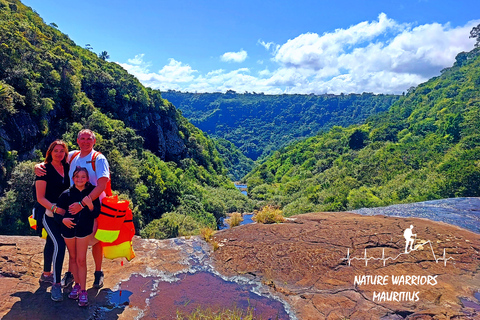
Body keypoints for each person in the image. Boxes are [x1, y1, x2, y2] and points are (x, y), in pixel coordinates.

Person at [35, 129, 110, 289]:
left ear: (94, 141)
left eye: (88, 139)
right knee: (73, 238)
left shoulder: (99, 158)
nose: (85, 141)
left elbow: (102, 185)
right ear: (77, 141)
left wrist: (84, 203)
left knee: (96, 239)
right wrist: (39, 165)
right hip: (72, 205)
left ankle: (98, 273)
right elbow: (55, 158)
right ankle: (71, 274)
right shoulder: (73, 156)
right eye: (82, 139)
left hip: (93, 204)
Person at [55, 167, 101, 307]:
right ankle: (76, 284)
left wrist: (90, 205)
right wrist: (63, 220)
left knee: (81, 260)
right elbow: (58, 214)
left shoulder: (91, 194)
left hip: (83, 231)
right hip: (68, 231)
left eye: (83, 177)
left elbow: (96, 214)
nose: (80, 179)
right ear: (72, 178)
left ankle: (83, 291)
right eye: (77, 177)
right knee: (73, 258)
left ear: (87, 179)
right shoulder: (66, 194)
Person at [35, 140, 70, 301]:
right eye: (55, 150)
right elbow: (40, 197)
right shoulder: (44, 170)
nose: (59, 153)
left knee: (51, 241)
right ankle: (56, 284)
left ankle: (46, 274)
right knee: (59, 244)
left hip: (62, 213)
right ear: (50, 152)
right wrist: (55, 209)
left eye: (61, 151)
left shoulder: (68, 167)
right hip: (48, 213)